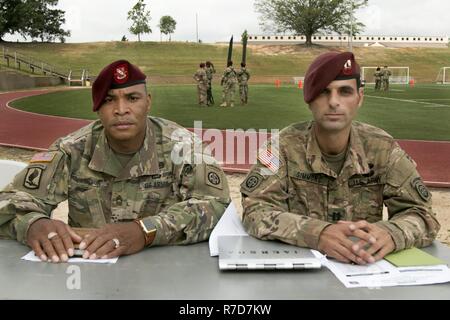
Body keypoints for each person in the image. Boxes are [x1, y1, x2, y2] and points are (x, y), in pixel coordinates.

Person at [0, 60, 231, 262]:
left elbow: (216, 205)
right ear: (97, 107)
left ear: (148, 102)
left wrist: (145, 231)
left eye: (132, 98)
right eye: (109, 100)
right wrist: (33, 224)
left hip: (164, 270)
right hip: (88, 269)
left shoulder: (184, 147)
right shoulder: (71, 149)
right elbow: (10, 201)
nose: (121, 110)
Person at [240, 52, 440, 265]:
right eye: (324, 92)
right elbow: (255, 209)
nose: (334, 102)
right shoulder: (281, 148)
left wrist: (392, 233)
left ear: (359, 98)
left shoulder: (383, 148)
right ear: (309, 98)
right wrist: (317, 233)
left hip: (364, 271)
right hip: (301, 269)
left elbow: (422, 213)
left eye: (345, 92)